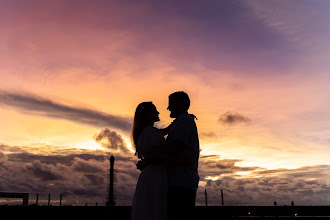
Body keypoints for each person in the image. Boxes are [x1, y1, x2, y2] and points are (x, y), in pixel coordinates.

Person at [131, 101, 173, 220]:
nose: (158, 112)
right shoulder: (150, 132)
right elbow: (156, 154)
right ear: (148, 114)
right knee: (154, 206)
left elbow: (165, 131)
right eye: (155, 110)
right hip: (155, 174)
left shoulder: (148, 132)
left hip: (151, 173)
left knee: (148, 206)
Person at [165, 91, 200, 220]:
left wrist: (150, 159)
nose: (168, 108)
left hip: (181, 182)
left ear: (181, 103)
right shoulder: (180, 122)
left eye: (171, 103)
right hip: (180, 181)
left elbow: (172, 148)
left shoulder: (184, 121)